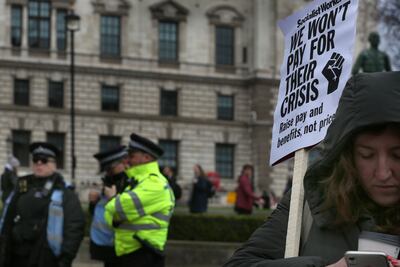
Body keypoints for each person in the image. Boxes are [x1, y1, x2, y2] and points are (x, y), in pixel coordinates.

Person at [224, 72, 400, 266]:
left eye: (397, 155)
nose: (383, 173)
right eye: (367, 155)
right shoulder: (309, 201)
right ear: (347, 155)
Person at [0, 142, 85, 267]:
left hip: (45, 258)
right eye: (36, 160)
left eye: (44, 160)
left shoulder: (64, 192)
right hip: (16, 256)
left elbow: (74, 228)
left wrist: (65, 260)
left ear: (54, 165)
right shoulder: (22, 187)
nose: (39, 163)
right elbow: (8, 217)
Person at [104, 133, 175, 267]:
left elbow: (115, 208)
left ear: (146, 157)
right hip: (130, 254)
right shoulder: (137, 181)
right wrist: (115, 213)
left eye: (131, 156)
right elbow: (109, 218)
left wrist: (113, 201)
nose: (127, 161)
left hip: (144, 254)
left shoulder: (154, 183)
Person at [90, 145, 130, 267]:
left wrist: (113, 199)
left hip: (123, 249)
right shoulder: (110, 181)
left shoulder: (129, 183)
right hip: (108, 247)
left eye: (110, 168)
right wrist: (93, 203)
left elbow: (125, 217)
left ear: (123, 162)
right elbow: (102, 214)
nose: (108, 172)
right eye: (106, 169)